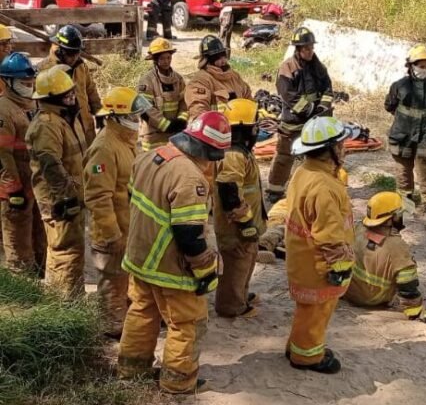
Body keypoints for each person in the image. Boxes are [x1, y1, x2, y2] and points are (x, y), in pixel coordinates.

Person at [118, 112, 231, 394]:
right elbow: (189, 236)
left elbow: (133, 199)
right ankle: (178, 382)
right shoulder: (190, 178)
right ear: (206, 150)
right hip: (169, 267)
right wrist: (206, 272)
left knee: (142, 312)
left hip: (139, 257)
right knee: (186, 323)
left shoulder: (151, 155)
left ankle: (132, 369)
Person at [285, 116, 354, 374]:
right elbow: (329, 233)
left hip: (303, 258)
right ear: (331, 150)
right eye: (341, 145)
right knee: (316, 313)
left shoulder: (304, 172)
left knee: (306, 310)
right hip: (319, 265)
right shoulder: (323, 186)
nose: (344, 148)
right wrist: (340, 267)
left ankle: (297, 345)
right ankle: (307, 357)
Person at [84, 87, 150, 339]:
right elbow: (98, 197)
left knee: (125, 279)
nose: (137, 121)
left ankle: (125, 320)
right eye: (133, 116)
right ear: (115, 117)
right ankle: (111, 329)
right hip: (111, 232)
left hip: (127, 227)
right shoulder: (104, 148)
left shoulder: (125, 142)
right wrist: (111, 234)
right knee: (112, 281)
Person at [26, 67, 87, 297]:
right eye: (66, 95)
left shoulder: (66, 118)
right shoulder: (47, 125)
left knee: (71, 250)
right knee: (65, 252)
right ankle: (64, 303)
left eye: (72, 92)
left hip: (71, 196)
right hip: (59, 201)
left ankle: (67, 296)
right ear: (52, 98)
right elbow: (51, 166)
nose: (72, 97)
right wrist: (66, 198)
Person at [266, 27, 333, 204]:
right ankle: (275, 190)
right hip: (293, 122)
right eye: (306, 48)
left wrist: (322, 108)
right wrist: (309, 109)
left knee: (316, 157)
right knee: (284, 156)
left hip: (315, 121)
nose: (310, 51)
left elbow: (328, 90)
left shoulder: (319, 67)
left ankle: (313, 189)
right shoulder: (287, 68)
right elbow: (287, 94)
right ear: (298, 49)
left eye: (311, 47)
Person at [344, 192, 426, 323]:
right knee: (405, 266)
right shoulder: (395, 245)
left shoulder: (358, 228)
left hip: (347, 291)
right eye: (399, 215)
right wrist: (415, 309)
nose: (401, 217)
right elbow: (407, 282)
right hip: (372, 298)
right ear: (390, 219)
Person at [213, 99, 266, 319]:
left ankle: (241, 294)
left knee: (246, 261)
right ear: (244, 127)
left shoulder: (240, 150)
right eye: (254, 124)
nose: (257, 128)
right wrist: (244, 223)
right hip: (236, 226)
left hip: (246, 222)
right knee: (236, 263)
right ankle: (231, 305)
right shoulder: (234, 154)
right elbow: (229, 191)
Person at [385, 45, 426, 217]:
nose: (424, 69)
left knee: (425, 166)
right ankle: (405, 198)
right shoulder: (399, 86)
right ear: (411, 66)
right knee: (403, 166)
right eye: (421, 66)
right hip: (402, 133)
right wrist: (404, 119)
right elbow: (389, 105)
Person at [0, 53, 45, 275]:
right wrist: (12, 188)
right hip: (15, 184)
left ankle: (40, 272)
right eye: (24, 83)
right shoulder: (4, 109)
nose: (29, 86)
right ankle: (21, 284)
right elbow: (2, 154)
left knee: (39, 232)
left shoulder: (32, 104)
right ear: (8, 82)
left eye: (31, 82)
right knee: (17, 234)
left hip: (34, 180)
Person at [38, 25, 101, 146]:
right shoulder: (45, 70)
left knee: (93, 164)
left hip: (86, 126)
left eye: (77, 53)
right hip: (63, 130)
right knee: (73, 162)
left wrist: (99, 112)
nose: (75, 58)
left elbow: (90, 89)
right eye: (71, 54)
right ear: (60, 50)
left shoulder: (81, 66)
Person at [137, 38, 188, 151]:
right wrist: (165, 125)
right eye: (162, 58)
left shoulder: (178, 79)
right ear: (155, 60)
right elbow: (144, 109)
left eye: (168, 57)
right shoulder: (147, 81)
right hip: (153, 137)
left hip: (175, 135)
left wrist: (181, 120)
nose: (166, 61)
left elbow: (184, 102)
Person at [185, 35, 252, 121]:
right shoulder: (200, 80)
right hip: (214, 130)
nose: (223, 61)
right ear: (207, 60)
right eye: (217, 58)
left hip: (239, 126)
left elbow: (248, 98)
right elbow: (198, 110)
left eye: (224, 56)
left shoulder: (234, 76)